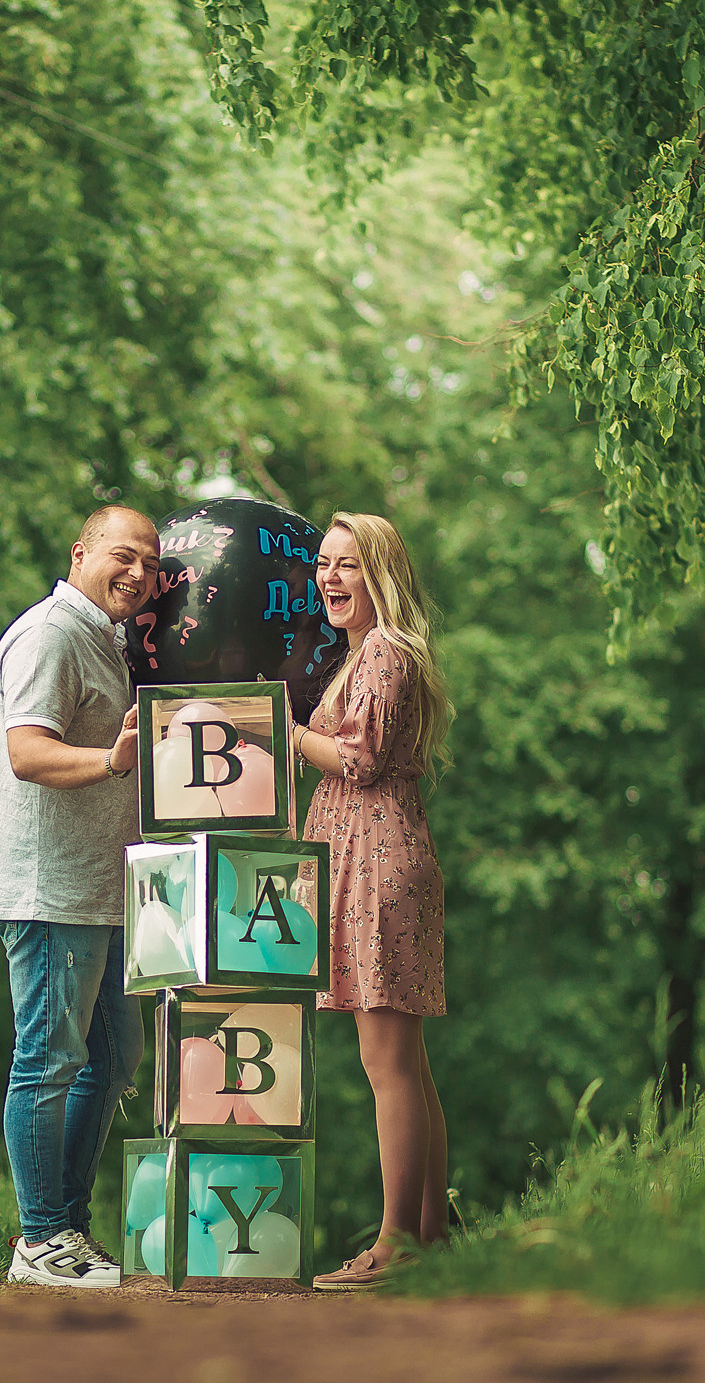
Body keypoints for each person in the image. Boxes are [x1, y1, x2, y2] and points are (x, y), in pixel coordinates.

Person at [0, 504, 161, 1288]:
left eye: (151, 564)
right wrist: (115, 759)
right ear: (81, 552)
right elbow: (27, 751)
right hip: (50, 888)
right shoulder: (51, 632)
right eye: (123, 555)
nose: (138, 574)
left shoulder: (107, 641)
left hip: (103, 889)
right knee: (47, 1059)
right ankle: (39, 1237)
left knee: (117, 1054)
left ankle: (67, 1229)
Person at [288, 511, 453, 1291]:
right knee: (405, 1063)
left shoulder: (383, 650)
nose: (330, 577)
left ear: (379, 573)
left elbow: (357, 757)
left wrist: (287, 734)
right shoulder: (364, 654)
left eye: (348, 564)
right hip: (374, 855)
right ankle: (428, 1237)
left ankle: (394, 1245)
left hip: (378, 859)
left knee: (386, 1062)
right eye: (324, 562)